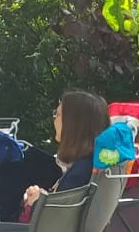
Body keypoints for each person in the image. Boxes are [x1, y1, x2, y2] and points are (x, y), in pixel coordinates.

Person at [20, 90, 110, 220]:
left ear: (73, 124)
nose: (54, 119)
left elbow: (57, 220)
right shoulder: (90, 165)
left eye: (58, 114)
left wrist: (34, 203)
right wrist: (43, 197)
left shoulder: (79, 173)